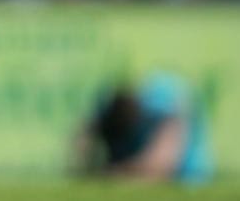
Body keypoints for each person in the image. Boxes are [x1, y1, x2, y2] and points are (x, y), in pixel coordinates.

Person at [75, 74, 213, 184]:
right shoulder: (108, 108)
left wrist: (115, 173)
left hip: (186, 177)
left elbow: (161, 166)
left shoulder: (163, 99)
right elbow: (81, 144)